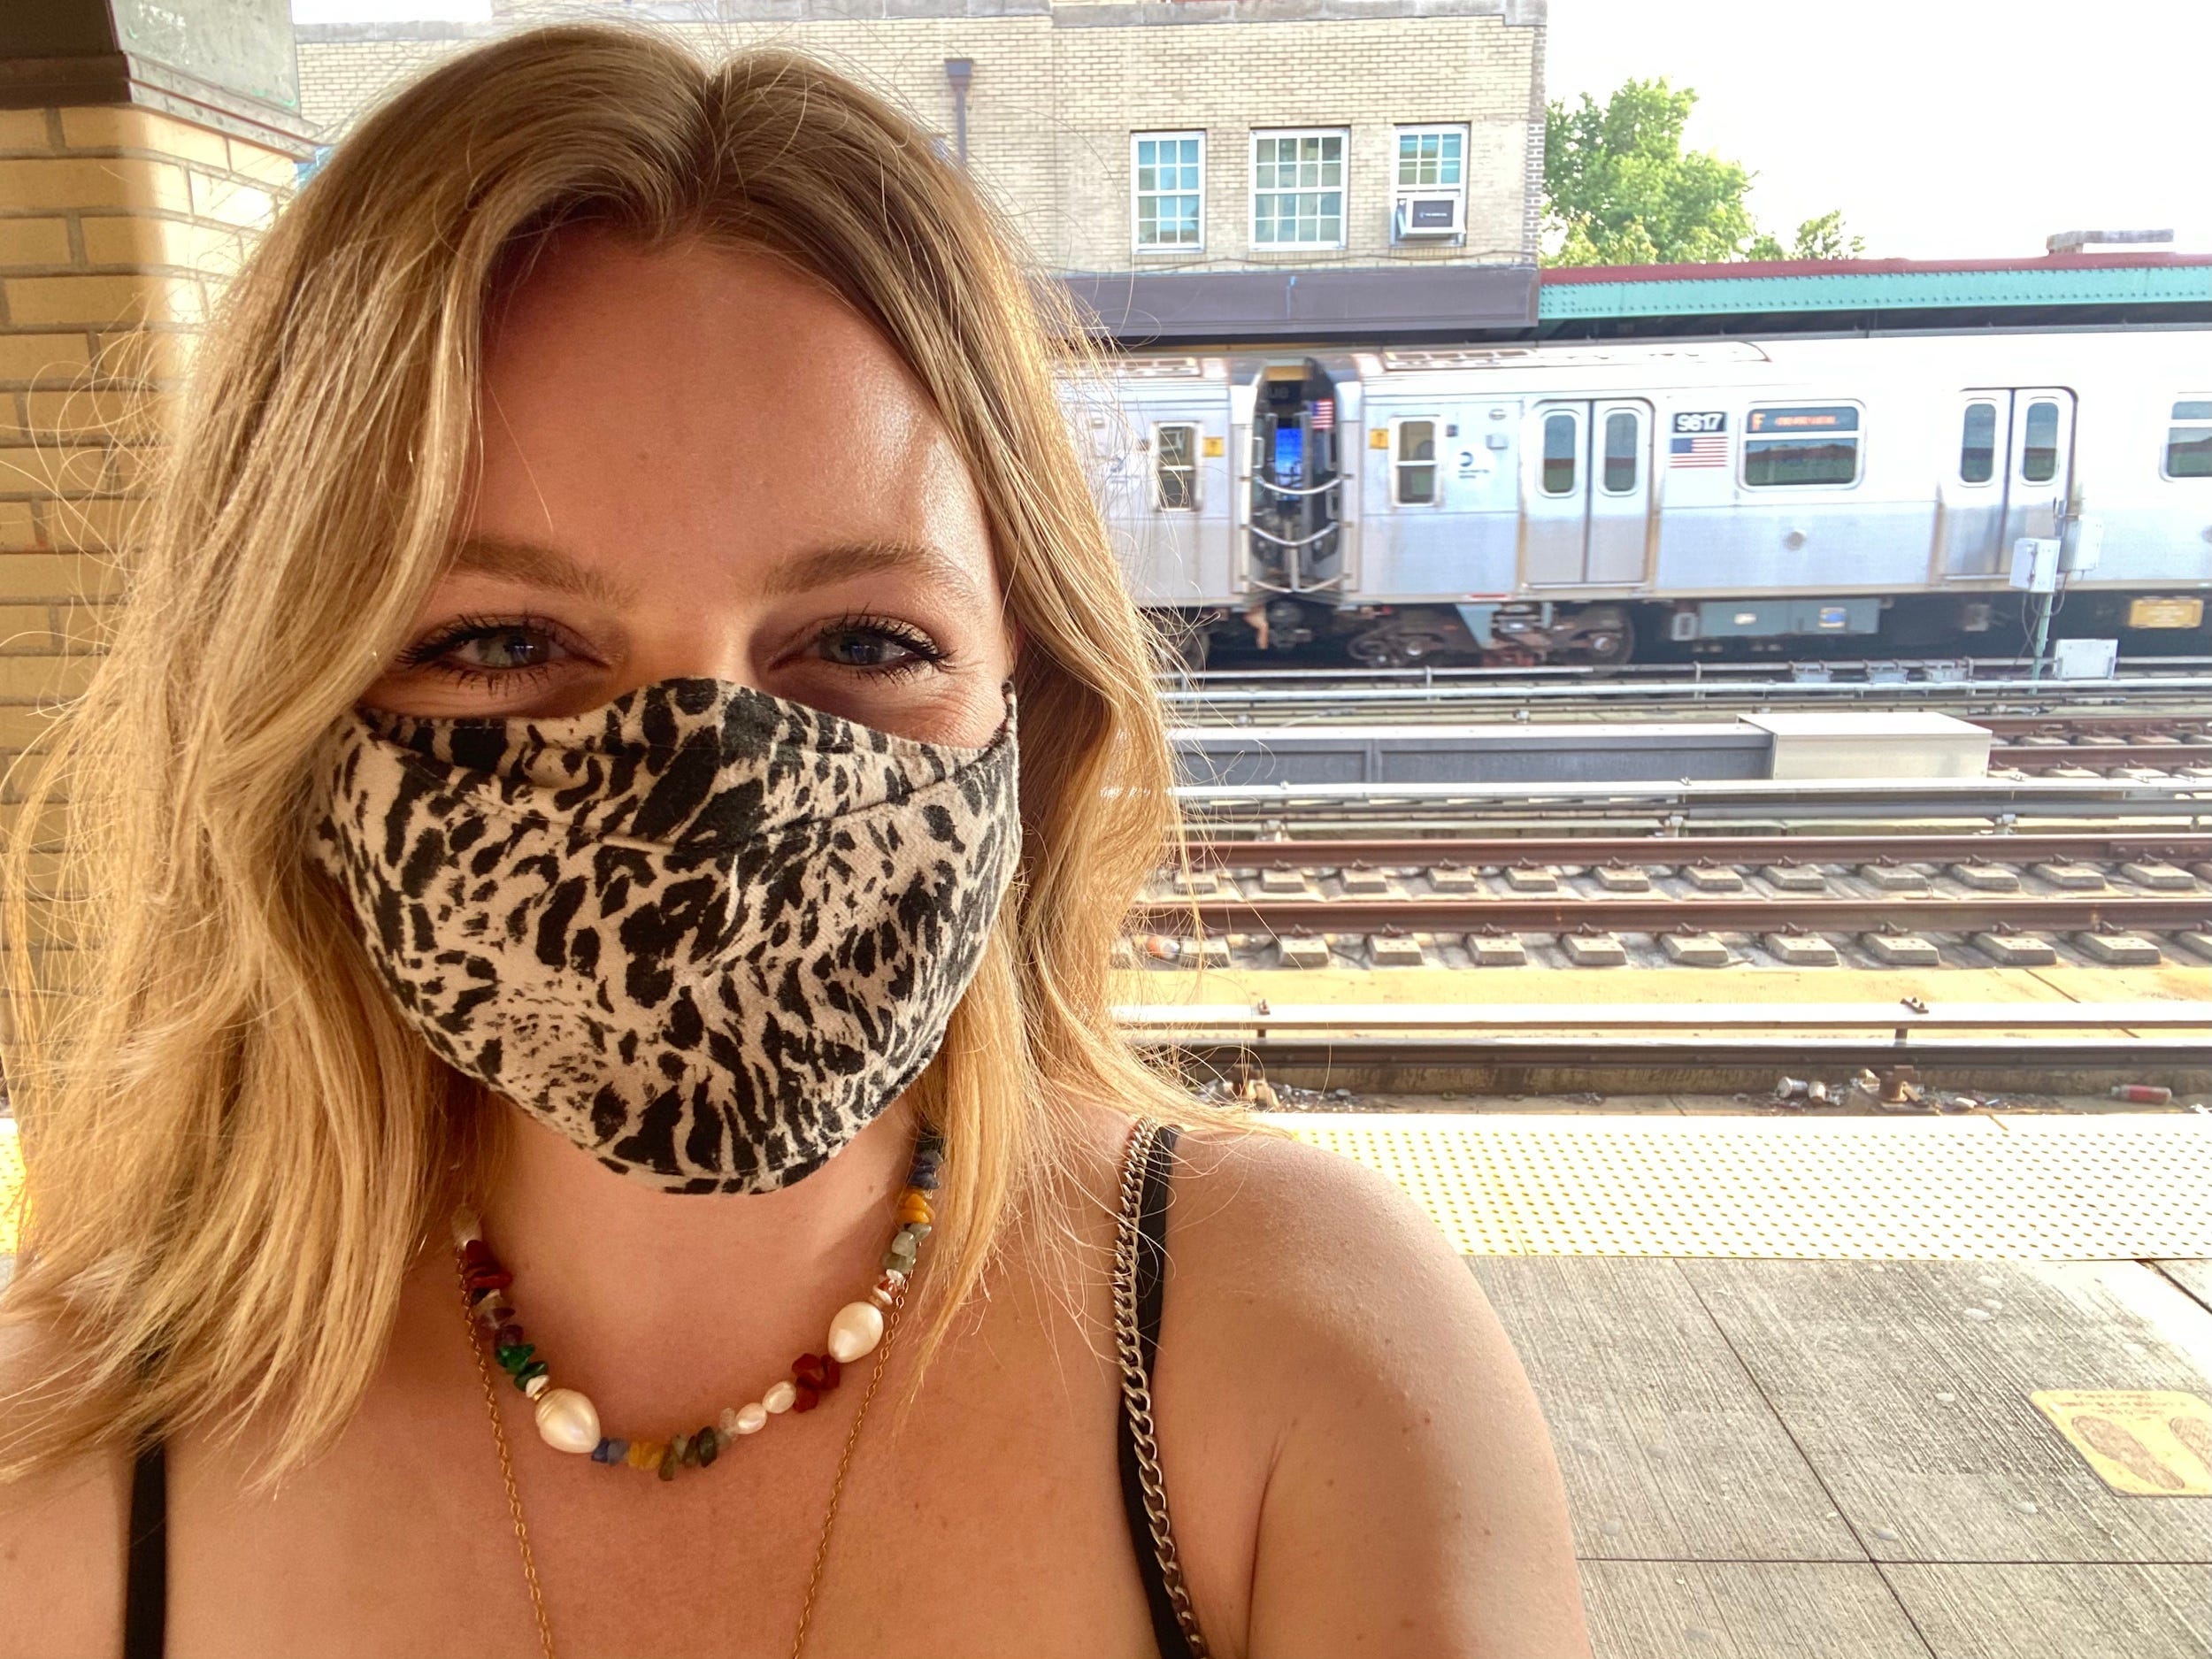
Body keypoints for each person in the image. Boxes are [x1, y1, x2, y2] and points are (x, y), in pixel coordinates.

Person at [0, 25, 1587, 1657]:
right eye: (497, 642)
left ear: (1020, 699)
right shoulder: (59, 1464)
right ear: (289, 707)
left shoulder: (1304, 1364)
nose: (713, 802)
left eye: (867, 644)